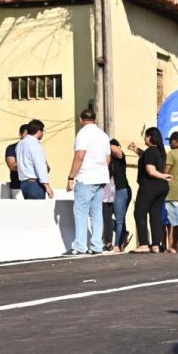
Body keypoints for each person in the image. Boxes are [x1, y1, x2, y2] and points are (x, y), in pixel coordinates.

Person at [66, 107, 111, 254]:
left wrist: (71, 176)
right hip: (101, 177)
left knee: (80, 211)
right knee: (97, 212)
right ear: (94, 119)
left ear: (81, 120)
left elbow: (79, 156)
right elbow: (108, 159)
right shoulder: (103, 135)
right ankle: (97, 245)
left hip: (86, 177)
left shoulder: (82, 134)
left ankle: (80, 246)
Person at [130, 127, 173, 252]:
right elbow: (147, 158)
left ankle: (143, 244)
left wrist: (163, 175)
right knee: (155, 215)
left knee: (139, 212)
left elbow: (151, 170)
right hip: (162, 187)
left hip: (149, 186)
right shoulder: (160, 152)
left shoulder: (150, 151)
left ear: (149, 137)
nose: (144, 138)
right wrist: (136, 150)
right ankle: (155, 245)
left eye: (145, 136)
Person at [15, 119, 53, 199]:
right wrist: (47, 186)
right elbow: (39, 165)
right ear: (39, 131)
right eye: (42, 131)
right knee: (38, 210)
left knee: (30, 211)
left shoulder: (20, 144)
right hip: (34, 184)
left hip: (24, 183)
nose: (42, 134)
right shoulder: (34, 144)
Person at [108, 138, 132, 251]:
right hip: (108, 190)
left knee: (119, 219)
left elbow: (117, 151)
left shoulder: (120, 157)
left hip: (121, 190)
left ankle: (117, 245)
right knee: (105, 217)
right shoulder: (107, 159)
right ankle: (124, 233)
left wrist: (107, 143)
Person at [5, 123, 28, 196]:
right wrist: (30, 163)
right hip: (18, 187)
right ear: (20, 135)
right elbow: (12, 166)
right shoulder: (11, 148)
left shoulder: (36, 148)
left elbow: (46, 168)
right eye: (27, 134)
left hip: (35, 187)